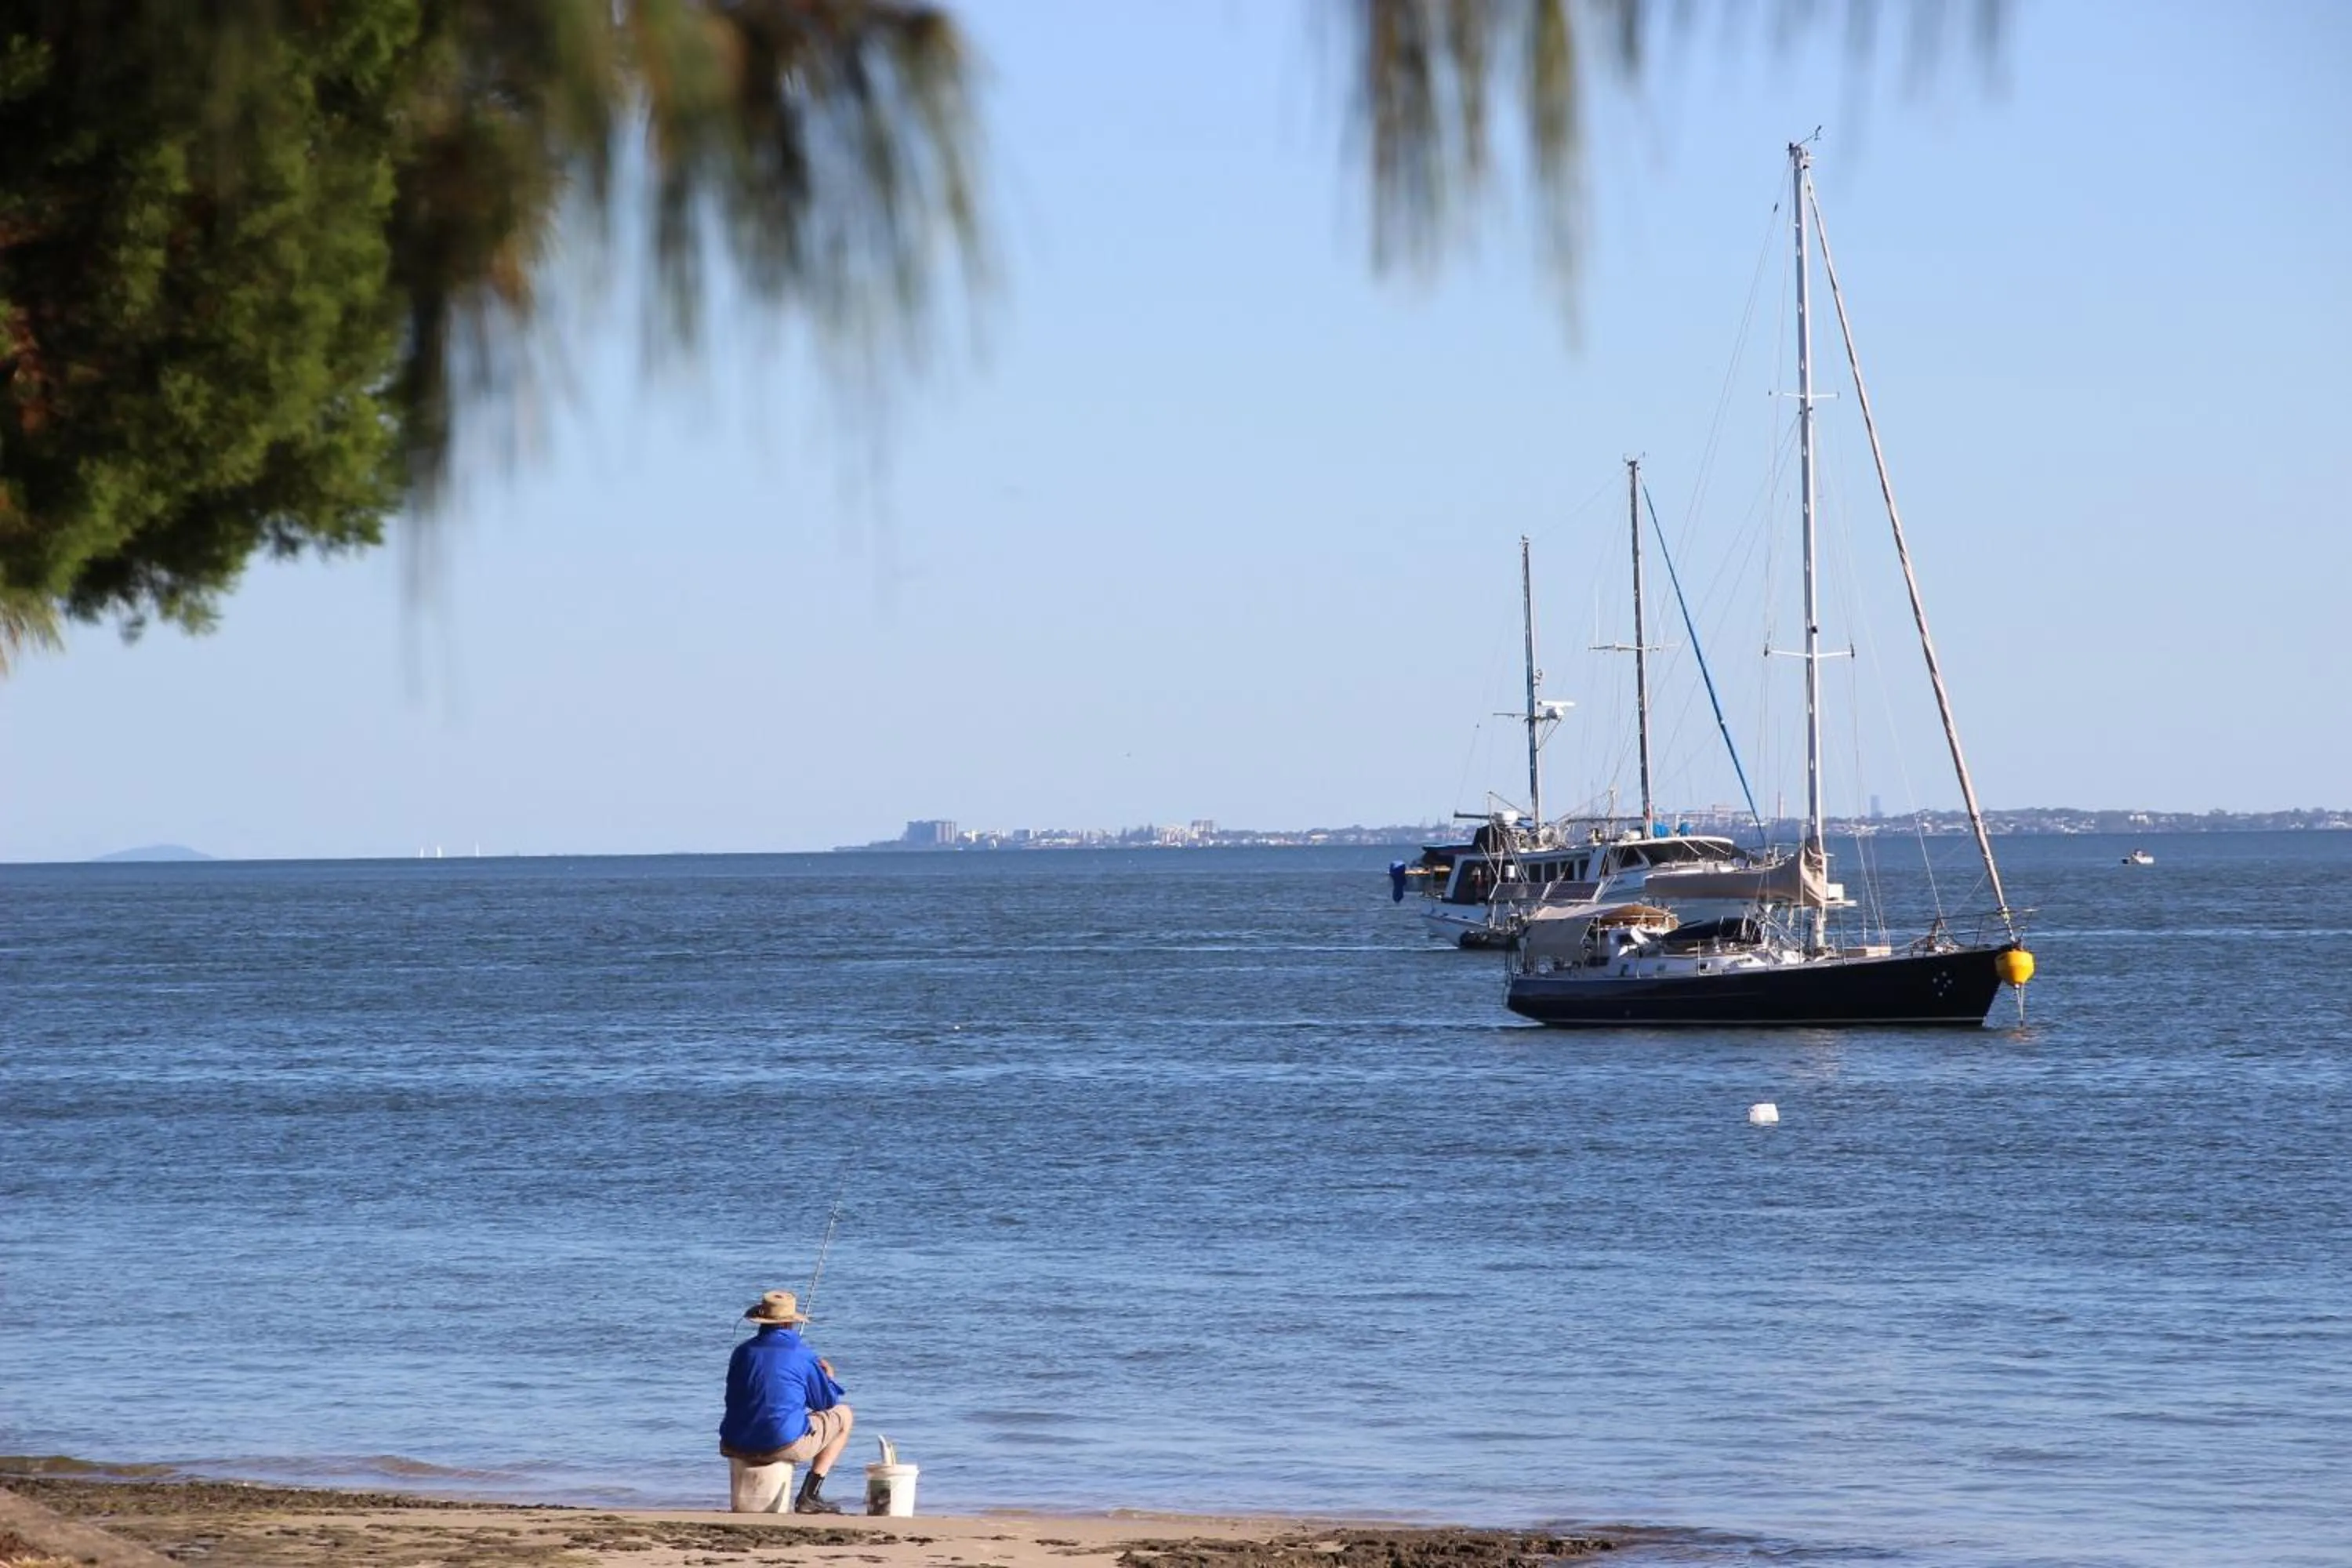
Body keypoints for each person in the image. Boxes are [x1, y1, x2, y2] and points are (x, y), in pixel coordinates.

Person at [719, 1289, 855, 1514]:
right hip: (781, 1444)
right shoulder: (802, 1354)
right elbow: (826, 1403)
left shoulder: (741, 1352)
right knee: (844, 1416)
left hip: (733, 1442)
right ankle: (810, 1494)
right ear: (790, 1323)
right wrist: (828, 1377)